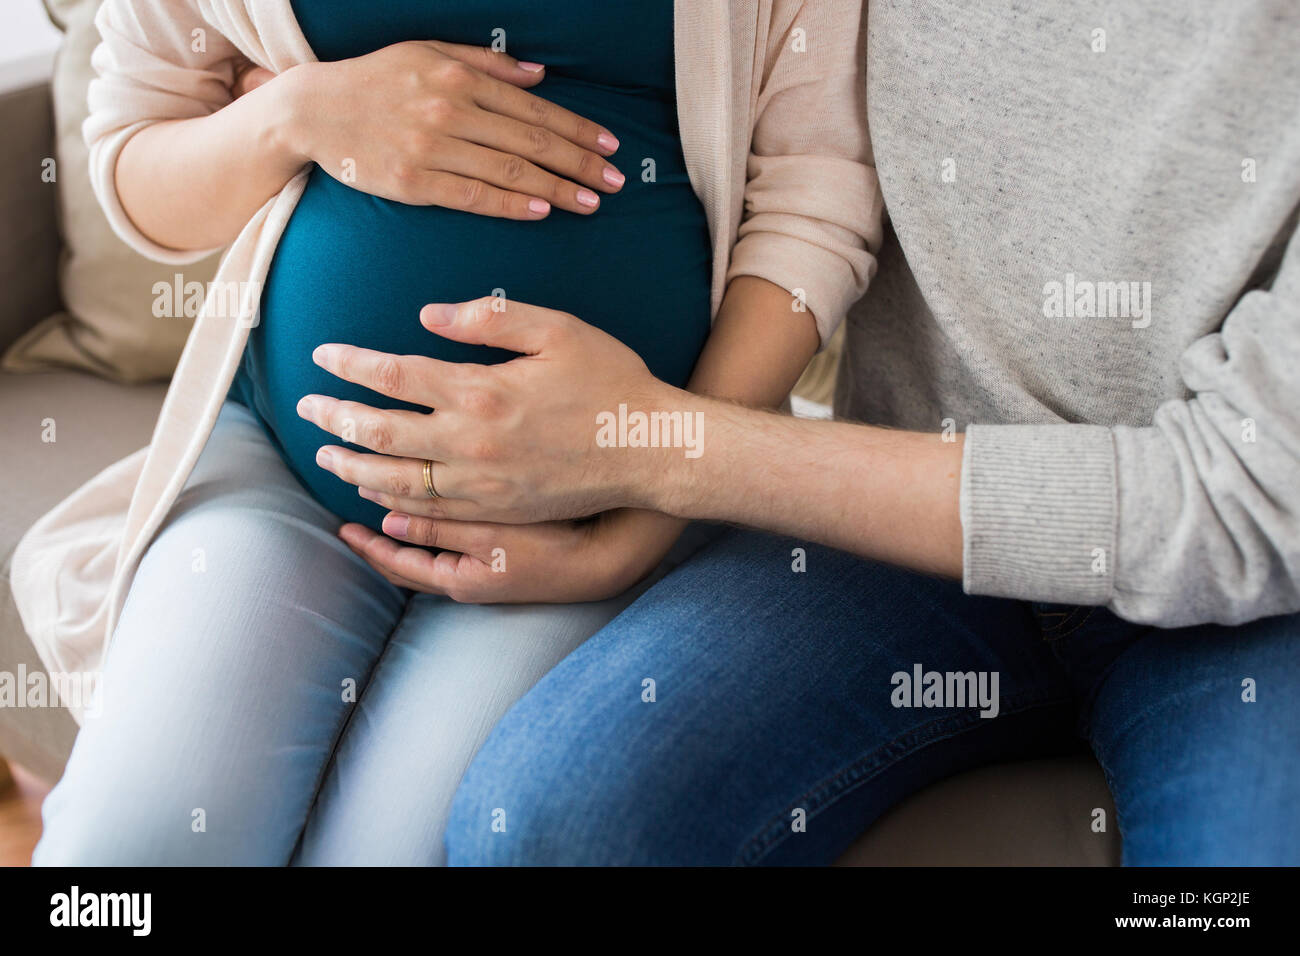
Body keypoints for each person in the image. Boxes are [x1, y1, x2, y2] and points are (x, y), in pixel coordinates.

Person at [289, 1, 1300, 864]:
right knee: (549, 824)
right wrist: (287, 107)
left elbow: (1237, 507)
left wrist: (653, 446)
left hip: (1245, 607)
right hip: (890, 533)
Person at [24, 0, 878, 864]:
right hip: (289, 473)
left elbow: (814, 201)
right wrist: (296, 114)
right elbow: (136, 149)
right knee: (128, 848)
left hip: (585, 517)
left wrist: (645, 512)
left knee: (397, 851)